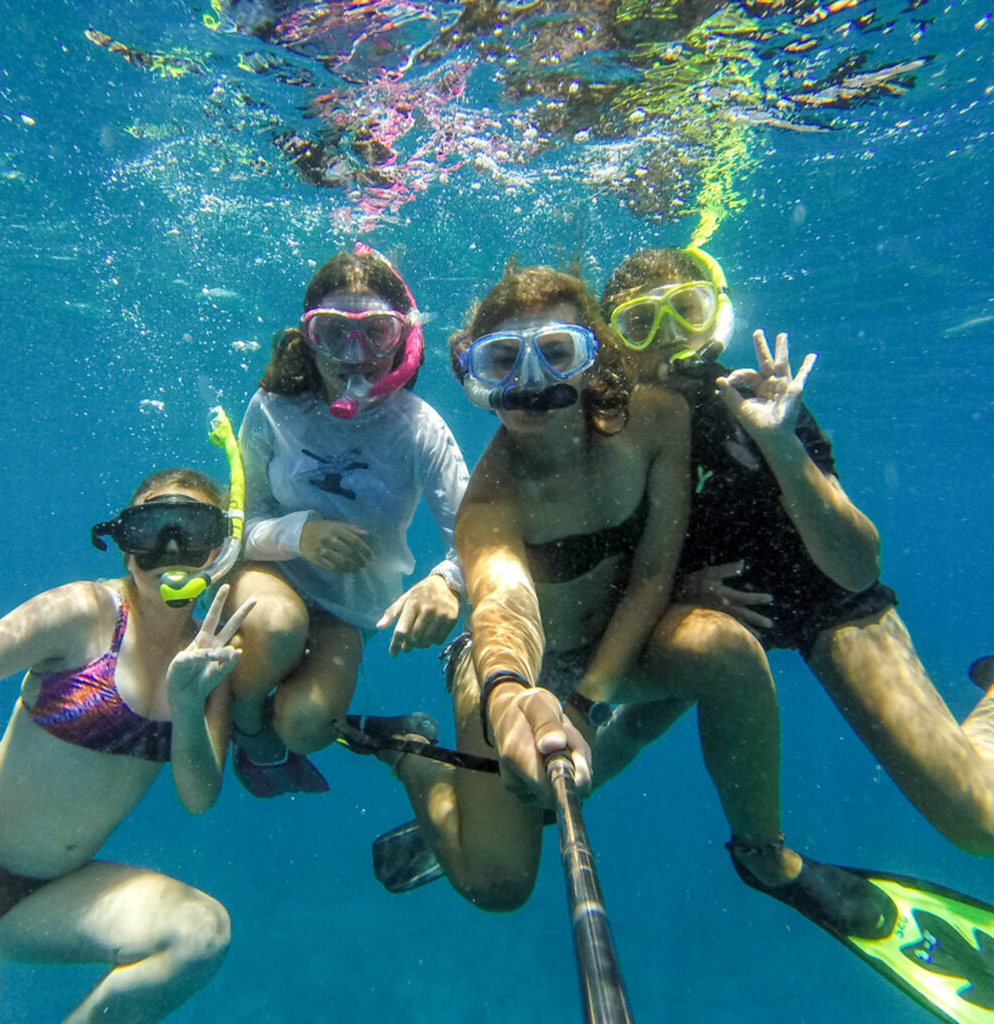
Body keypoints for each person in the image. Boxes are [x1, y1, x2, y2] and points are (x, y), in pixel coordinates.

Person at [369, 263, 994, 1020]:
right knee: (510, 869)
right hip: (598, 642)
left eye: (558, 353)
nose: (533, 382)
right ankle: (439, 770)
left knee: (971, 817)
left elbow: (690, 573)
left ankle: (765, 853)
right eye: (505, 360)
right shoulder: (535, 475)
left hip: (725, 621)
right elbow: (506, 600)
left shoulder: (693, 413)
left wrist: (589, 706)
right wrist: (513, 695)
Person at [596, 244, 994, 855]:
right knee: (619, 737)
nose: (668, 339)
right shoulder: (606, 432)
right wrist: (675, 593)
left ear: (717, 318)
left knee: (979, 822)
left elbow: (859, 568)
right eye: (641, 324)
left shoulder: (759, 400)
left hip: (823, 596)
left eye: (686, 311)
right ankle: (524, 805)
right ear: (612, 341)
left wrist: (781, 442)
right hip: (710, 613)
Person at [0, 467, 254, 1022]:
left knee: (200, 934)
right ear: (125, 547)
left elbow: (198, 796)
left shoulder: (216, 653)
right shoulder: (83, 614)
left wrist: (189, 703)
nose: (170, 549)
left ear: (218, 551)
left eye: (191, 531)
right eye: (150, 530)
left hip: (48, 893)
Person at [225, 244, 470, 798]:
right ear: (307, 337)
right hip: (271, 583)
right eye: (333, 331)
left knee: (306, 726)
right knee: (279, 626)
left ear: (404, 340)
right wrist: (299, 534)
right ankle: (244, 725)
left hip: (347, 608)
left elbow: (474, 537)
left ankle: (350, 732)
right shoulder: (271, 406)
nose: (354, 353)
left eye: (376, 333)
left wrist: (445, 583)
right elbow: (239, 523)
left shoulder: (419, 429)